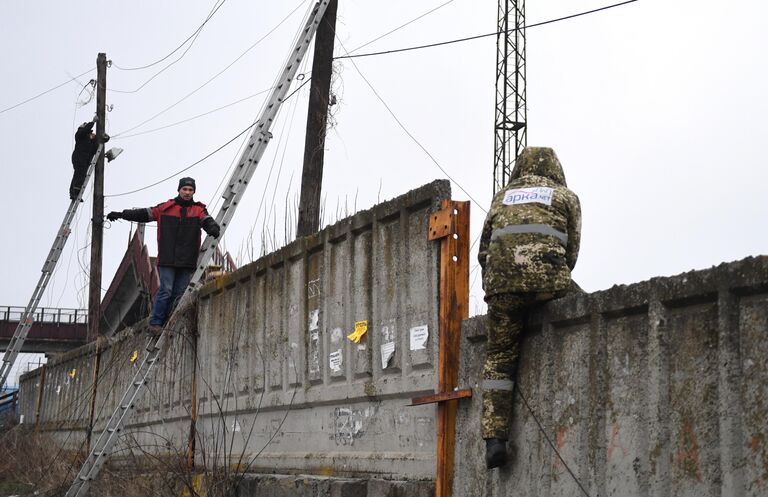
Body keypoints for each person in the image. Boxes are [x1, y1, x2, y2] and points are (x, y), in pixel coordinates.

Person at [477, 147, 582, 469]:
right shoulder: (566, 196)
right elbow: (572, 251)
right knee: (583, 304)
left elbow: (483, 252)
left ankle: (495, 440)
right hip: (548, 281)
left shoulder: (501, 197)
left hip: (502, 287)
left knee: (499, 359)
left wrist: (500, 284)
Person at [107, 177, 220, 333]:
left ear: (194, 192)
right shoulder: (165, 208)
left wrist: (213, 227)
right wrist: (122, 214)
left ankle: (168, 323)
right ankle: (155, 323)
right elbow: (143, 214)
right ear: (179, 190)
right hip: (168, 259)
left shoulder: (198, 210)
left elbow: (207, 220)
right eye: (184, 189)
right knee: (165, 290)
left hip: (187, 260)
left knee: (179, 294)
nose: (187, 192)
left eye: (190, 190)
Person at [69, 119, 109, 200]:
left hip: (85, 160)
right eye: (91, 134)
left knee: (80, 175)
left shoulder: (90, 142)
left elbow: (95, 148)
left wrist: (105, 139)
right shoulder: (80, 135)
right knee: (80, 174)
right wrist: (93, 122)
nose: (92, 135)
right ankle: (75, 192)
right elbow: (85, 130)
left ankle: (74, 193)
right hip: (79, 157)